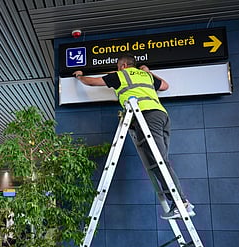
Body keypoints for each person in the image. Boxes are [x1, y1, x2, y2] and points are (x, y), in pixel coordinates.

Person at [73, 53, 195, 220]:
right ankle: (180, 203)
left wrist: (80, 76)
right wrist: (149, 72)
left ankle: (181, 204)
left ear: (122, 66)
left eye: (117, 66)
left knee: (159, 162)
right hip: (161, 116)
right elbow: (165, 86)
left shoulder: (121, 75)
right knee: (159, 161)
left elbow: (92, 82)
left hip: (145, 116)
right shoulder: (145, 75)